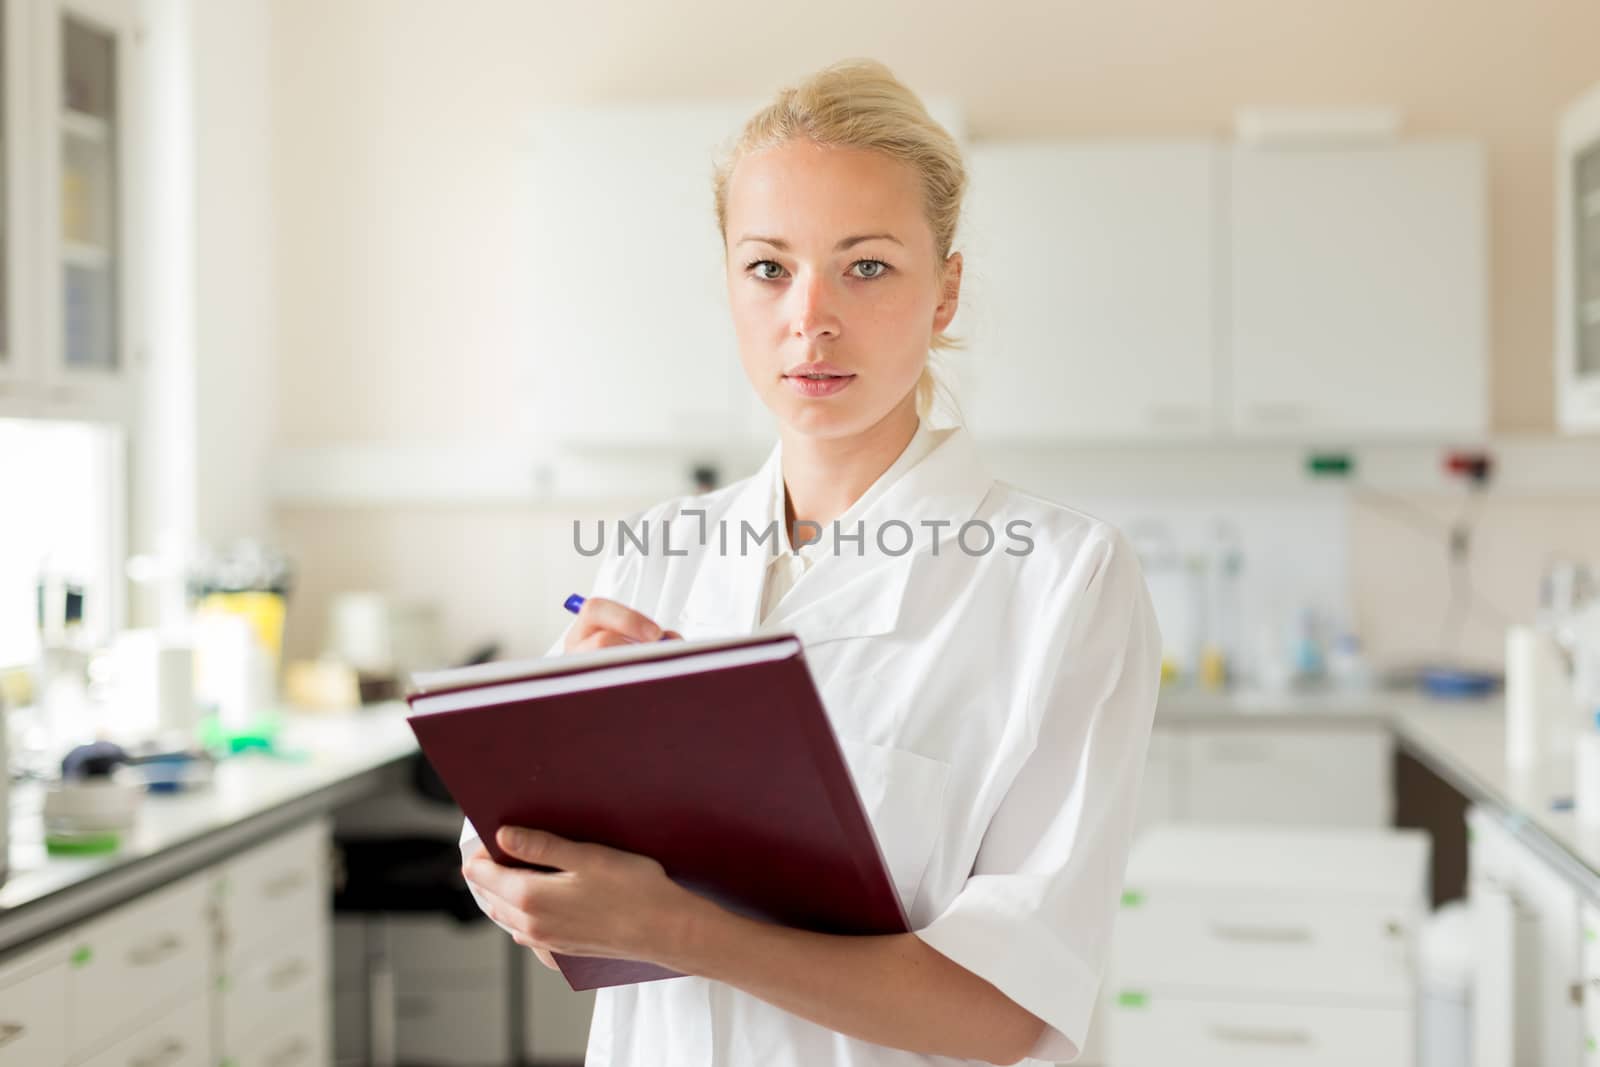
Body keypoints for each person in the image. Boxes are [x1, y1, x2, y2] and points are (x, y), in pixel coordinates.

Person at [460, 58, 1161, 1066]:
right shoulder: (653, 555)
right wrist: (521, 833)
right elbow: (541, 883)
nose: (809, 316)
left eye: (866, 265)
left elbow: (1006, 1012)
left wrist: (669, 925)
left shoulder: (1062, 581)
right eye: (768, 267)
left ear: (945, 290)